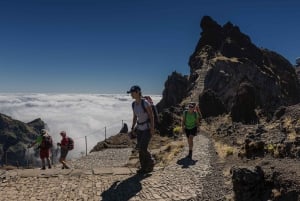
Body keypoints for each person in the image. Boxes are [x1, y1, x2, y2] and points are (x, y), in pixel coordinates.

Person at [127, 85, 155, 174]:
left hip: (147, 128)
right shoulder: (133, 104)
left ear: (138, 92)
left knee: (143, 147)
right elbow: (135, 117)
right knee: (140, 148)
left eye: (132, 93)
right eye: (130, 93)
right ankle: (143, 168)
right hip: (139, 129)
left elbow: (151, 116)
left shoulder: (145, 103)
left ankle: (150, 161)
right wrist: (132, 128)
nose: (131, 94)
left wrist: (152, 128)